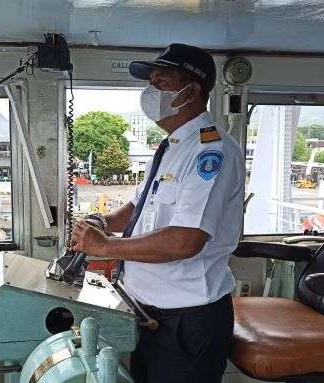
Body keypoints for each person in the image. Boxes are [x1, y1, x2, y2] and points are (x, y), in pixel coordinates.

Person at [70, 43, 245, 383]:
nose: (150, 92)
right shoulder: (171, 146)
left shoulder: (211, 151)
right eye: (150, 83)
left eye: (161, 82)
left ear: (191, 91)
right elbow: (138, 208)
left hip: (186, 320)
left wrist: (105, 247)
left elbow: (186, 240)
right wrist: (102, 223)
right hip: (147, 312)